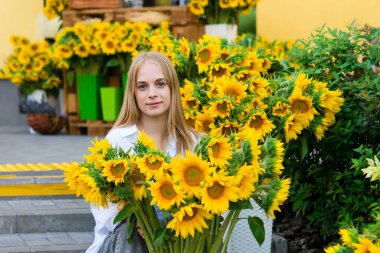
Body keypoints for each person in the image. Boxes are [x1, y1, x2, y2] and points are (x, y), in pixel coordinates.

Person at [86, 51, 198, 253]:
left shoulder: (190, 141)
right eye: (143, 86)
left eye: (160, 84)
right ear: (133, 93)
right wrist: (141, 220)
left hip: (178, 239)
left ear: (173, 88)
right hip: (124, 242)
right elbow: (104, 209)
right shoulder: (118, 140)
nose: (152, 93)